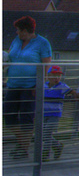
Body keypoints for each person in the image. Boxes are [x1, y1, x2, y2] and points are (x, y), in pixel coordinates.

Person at [5, 16, 53, 161]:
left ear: (26, 31)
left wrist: (40, 84)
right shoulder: (16, 41)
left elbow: (46, 65)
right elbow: (9, 57)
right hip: (13, 84)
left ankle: (23, 149)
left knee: (26, 118)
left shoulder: (42, 43)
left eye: (18, 30)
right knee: (8, 116)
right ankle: (24, 143)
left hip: (30, 86)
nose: (17, 33)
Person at [41, 65, 77, 160]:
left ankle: (45, 154)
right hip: (43, 113)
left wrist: (78, 94)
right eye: (54, 75)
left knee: (47, 133)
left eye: (58, 76)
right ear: (48, 76)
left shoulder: (62, 86)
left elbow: (72, 91)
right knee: (44, 133)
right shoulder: (44, 86)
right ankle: (57, 146)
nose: (56, 78)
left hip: (54, 114)